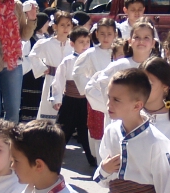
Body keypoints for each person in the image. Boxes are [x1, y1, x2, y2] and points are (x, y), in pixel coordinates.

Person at [74, 18, 118, 159]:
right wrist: (90, 89)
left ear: (115, 34)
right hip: (98, 98)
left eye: (109, 34)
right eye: (102, 33)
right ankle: (100, 161)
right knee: (99, 131)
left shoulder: (120, 51)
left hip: (119, 97)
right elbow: (77, 72)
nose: (106, 37)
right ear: (97, 34)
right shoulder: (91, 53)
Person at [50, 26, 95, 164]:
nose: (85, 45)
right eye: (81, 42)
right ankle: (52, 157)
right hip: (69, 100)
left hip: (86, 101)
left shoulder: (93, 59)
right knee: (62, 130)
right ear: (72, 44)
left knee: (87, 131)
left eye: (87, 42)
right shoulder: (67, 61)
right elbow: (58, 80)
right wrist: (57, 99)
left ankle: (93, 159)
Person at [31, 11, 75, 120]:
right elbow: (33, 55)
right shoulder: (46, 43)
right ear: (55, 26)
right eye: (62, 25)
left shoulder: (73, 45)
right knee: (49, 106)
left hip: (68, 81)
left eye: (68, 25)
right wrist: (42, 68)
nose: (65, 28)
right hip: (51, 79)